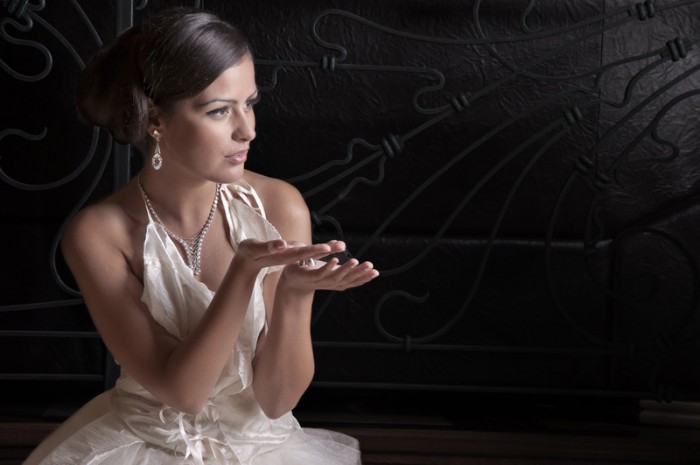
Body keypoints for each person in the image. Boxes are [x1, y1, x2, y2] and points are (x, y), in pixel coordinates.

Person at [23, 7, 378, 465]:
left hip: (266, 448)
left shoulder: (279, 206)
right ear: (156, 119)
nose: (247, 130)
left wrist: (293, 294)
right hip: (144, 446)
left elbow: (276, 401)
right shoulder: (99, 234)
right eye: (219, 111)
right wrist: (242, 273)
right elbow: (183, 393)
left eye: (249, 103)